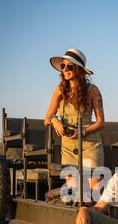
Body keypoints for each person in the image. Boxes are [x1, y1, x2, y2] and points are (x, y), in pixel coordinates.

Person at [44, 48, 104, 196]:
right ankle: (57, 195)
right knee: (74, 191)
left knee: (94, 192)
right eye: (63, 66)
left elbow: (101, 122)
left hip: (90, 144)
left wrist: (82, 132)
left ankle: (95, 217)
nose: (65, 70)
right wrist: (55, 121)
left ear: (79, 70)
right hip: (69, 147)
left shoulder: (92, 90)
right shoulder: (59, 90)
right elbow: (47, 118)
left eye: (69, 67)